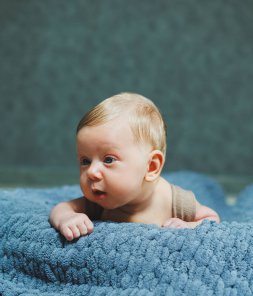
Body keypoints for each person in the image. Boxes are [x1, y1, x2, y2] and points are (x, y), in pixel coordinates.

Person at [50, 92, 220, 241]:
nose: (92, 172)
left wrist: (189, 226)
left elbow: (212, 218)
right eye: (85, 161)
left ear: (151, 167)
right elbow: (62, 208)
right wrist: (67, 218)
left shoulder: (176, 201)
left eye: (108, 160)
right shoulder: (99, 201)